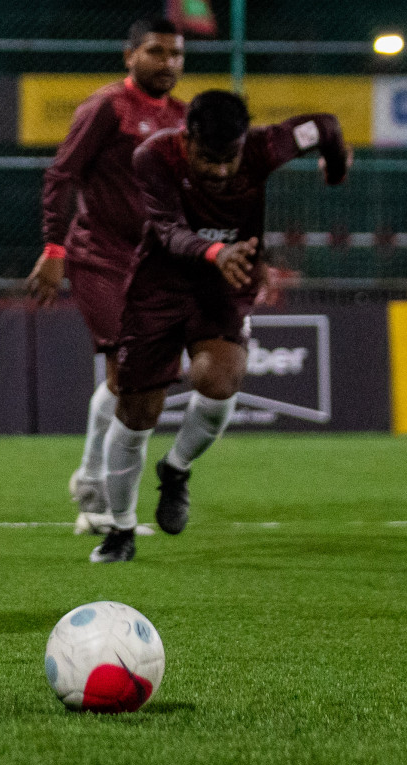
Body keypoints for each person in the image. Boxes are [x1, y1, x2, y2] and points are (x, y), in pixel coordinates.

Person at [91, 91, 350, 564]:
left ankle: (177, 469)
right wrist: (215, 252)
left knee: (220, 379)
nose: (220, 171)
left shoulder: (266, 146)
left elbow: (328, 125)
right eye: (209, 160)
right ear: (187, 139)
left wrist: (335, 168)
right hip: (159, 288)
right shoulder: (153, 156)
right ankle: (121, 529)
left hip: (226, 288)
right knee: (137, 414)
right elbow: (166, 230)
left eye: (228, 159)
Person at [26, 18, 187, 535]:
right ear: (130, 56)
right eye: (157, 52)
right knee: (127, 375)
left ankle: (92, 481)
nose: (169, 63)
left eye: (177, 54)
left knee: (136, 380)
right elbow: (62, 174)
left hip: (156, 266)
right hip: (98, 257)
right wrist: (54, 249)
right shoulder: (107, 107)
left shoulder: (184, 118)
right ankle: (97, 498)